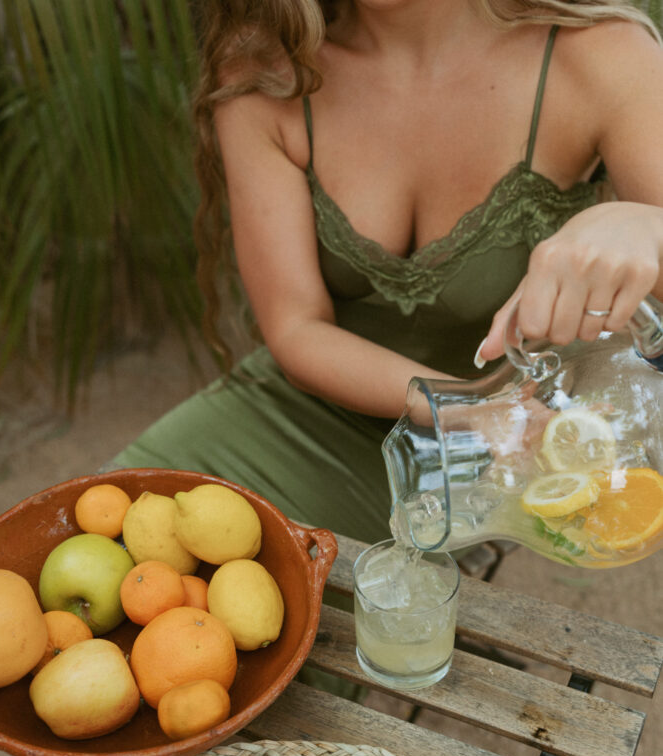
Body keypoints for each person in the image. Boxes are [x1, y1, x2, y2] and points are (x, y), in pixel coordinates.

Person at [112, 0, 663, 548]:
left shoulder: (599, 54)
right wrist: (466, 408)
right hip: (304, 418)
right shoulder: (268, 71)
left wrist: (645, 228)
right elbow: (296, 326)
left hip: (494, 454)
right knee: (96, 534)